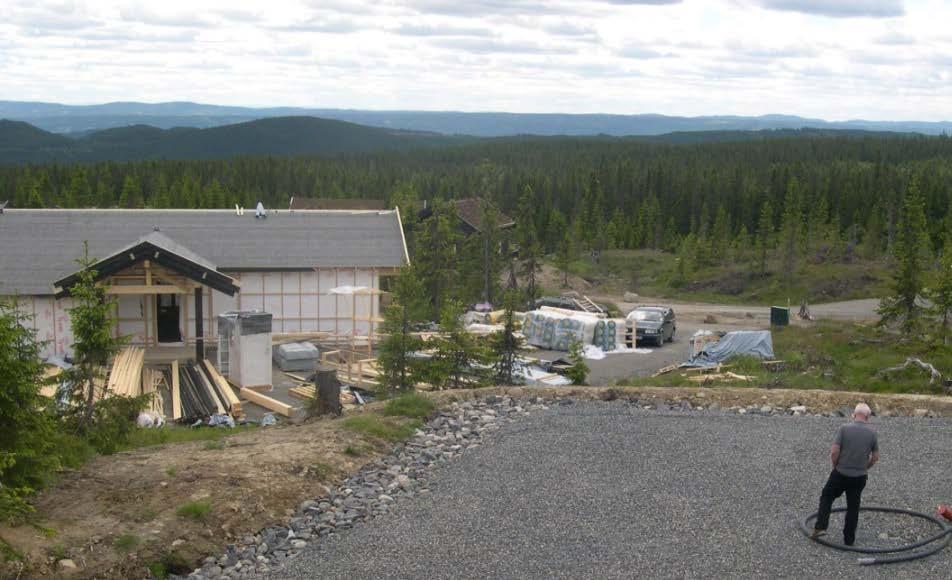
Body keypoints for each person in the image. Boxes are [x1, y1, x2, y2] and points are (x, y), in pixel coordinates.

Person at [812, 403, 880, 545]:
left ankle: (820, 527)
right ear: (867, 417)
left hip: (841, 472)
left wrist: (835, 465)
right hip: (859, 476)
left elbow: (834, 451)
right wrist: (865, 467)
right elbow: (875, 456)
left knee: (827, 496)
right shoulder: (872, 433)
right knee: (853, 507)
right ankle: (849, 540)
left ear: (854, 415)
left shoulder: (844, 429)